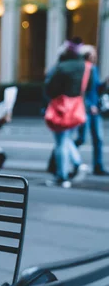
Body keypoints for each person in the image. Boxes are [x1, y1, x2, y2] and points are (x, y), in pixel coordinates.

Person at [44, 43, 90, 188]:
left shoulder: (61, 67)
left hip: (61, 107)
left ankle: (62, 176)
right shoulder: (84, 66)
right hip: (76, 107)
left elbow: (50, 87)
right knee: (67, 139)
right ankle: (77, 164)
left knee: (61, 143)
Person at [74, 45, 108, 176]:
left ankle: (98, 166)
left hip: (94, 110)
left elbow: (96, 89)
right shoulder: (84, 68)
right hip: (86, 109)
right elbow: (81, 90)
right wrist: (89, 105)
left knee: (98, 139)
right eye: (92, 53)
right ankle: (63, 158)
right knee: (81, 138)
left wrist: (105, 84)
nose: (95, 55)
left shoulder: (94, 69)